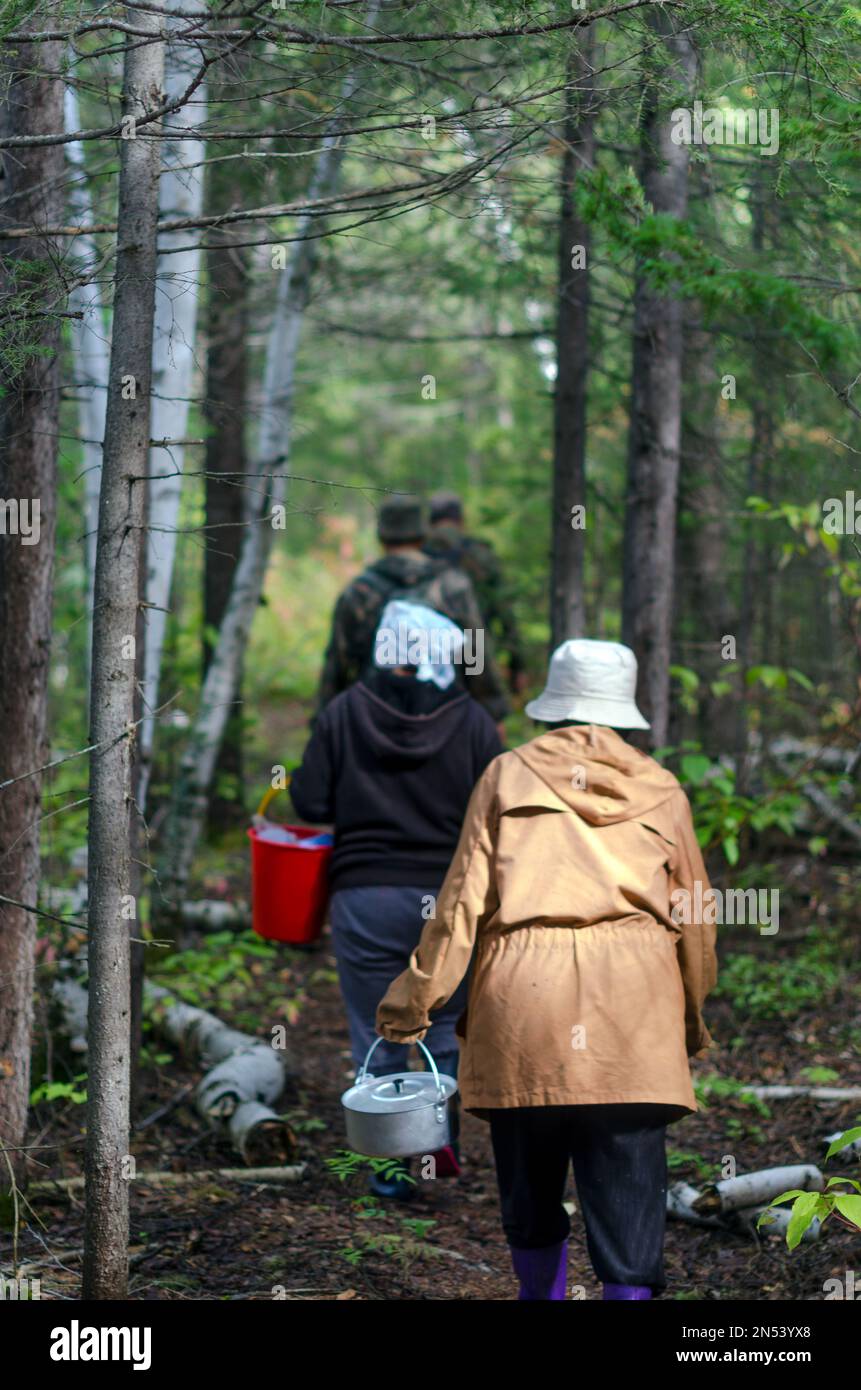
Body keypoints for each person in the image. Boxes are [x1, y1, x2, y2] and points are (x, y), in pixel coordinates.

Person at [377, 638, 718, 1296]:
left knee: (530, 1196)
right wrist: (688, 1022)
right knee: (629, 1207)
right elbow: (696, 919)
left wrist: (412, 1002)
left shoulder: (506, 776)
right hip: (633, 1015)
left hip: (522, 1008)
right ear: (620, 708)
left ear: (552, 706)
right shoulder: (662, 787)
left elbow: (459, 905)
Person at [291, 600, 504, 1198]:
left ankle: (389, 1175)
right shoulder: (473, 724)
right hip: (448, 902)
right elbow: (498, 816)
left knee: (376, 1032)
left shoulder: (343, 713)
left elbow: (307, 801)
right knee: (441, 1028)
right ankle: (440, 1150)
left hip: (364, 894)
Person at [315, 493, 509, 726]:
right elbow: (474, 650)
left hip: (375, 720)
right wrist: (491, 710)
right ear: (423, 534)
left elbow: (338, 662)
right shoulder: (452, 585)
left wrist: (324, 721)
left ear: (381, 536)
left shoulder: (359, 591)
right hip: (445, 717)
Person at [424, 490, 526, 693]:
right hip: (475, 651)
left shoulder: (418, 554)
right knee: (476, 714)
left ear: (430, 522)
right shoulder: (481, 554)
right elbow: (505, 612)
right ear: (461, 520)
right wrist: (517, 665)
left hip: (429, 656)